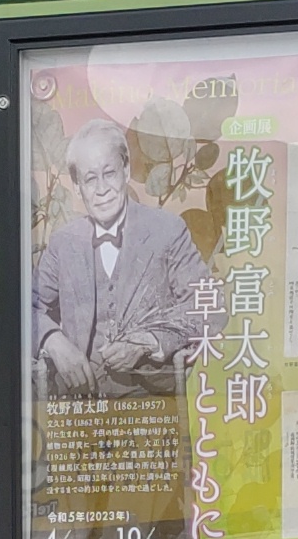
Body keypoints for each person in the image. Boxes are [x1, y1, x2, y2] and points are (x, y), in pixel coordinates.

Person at [33, 114, 217, 401]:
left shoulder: (166, 230)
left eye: (109, 173)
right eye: (90, 179)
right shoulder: (63, 243)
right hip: (78, 411)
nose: (102, 189)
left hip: (150, 406)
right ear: (78, 187)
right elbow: (27, 308)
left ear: (126, 170)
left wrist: (148, 341)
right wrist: (53, 341)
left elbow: (210, 307)